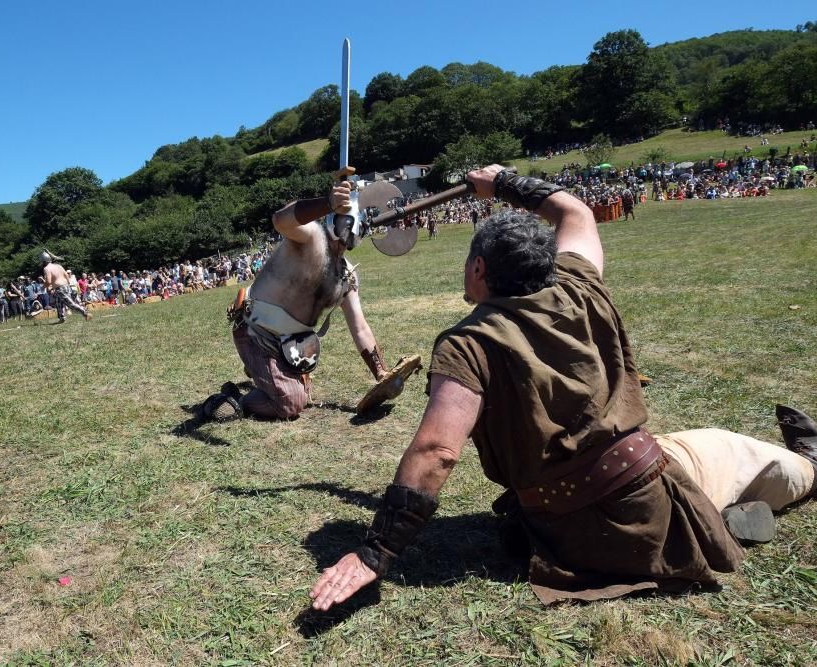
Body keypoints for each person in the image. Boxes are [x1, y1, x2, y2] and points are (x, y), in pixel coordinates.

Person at [310, 165, 817, 610]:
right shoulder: (578, 284)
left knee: (712, 454)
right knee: (738, 452)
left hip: (565, 532)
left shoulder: (468, 343)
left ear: (480, 268)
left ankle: (758, 495)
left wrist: (376, 552)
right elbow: (575, 213)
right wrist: (503, 182)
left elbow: (440, 451)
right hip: (641, 505)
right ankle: (806, 468)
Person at [202, 180, 419, 421]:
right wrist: (327, 202)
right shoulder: (307, 239)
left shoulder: (345, 275)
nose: (343, 238)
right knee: (291, 404)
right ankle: (234, 398)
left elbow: (359, 326)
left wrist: (381, 373)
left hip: (289, 343)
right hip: (256, 332)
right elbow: (280, 220)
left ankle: (268, 377)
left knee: (299, 394)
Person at [30, 250, 91, 323]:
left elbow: (48, 281)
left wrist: (43, 287)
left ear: (44, 261)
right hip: (65, 286)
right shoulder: (58, 266)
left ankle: (85, 312)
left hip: (60, 288)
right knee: (59, 303)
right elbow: (66, 275)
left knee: (70, 304)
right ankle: (62, 318)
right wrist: (67, 284)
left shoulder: (46, 269)